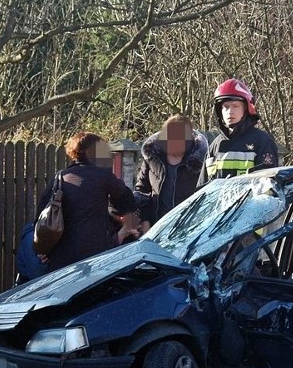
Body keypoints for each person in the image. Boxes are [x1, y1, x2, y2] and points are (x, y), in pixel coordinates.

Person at [36, 132, 137, 272]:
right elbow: (127, 201)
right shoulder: (103, 176)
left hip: (61, 257)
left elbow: (41, 216)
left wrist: (44, 250)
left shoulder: (60, 178)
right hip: (94, 257)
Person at [198, 78, 279, 186]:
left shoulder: (262, 142)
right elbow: (201, 190)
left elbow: (268, 189)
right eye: (225, 107)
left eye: (235, 106)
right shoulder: (214, 146)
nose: (230, 112)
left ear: (246, 109)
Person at [135, 114, 208, 230]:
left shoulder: (200, 163)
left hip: (188, 230)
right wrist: (145, 222)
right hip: (155, 229)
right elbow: (141, 193)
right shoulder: (152, 159)